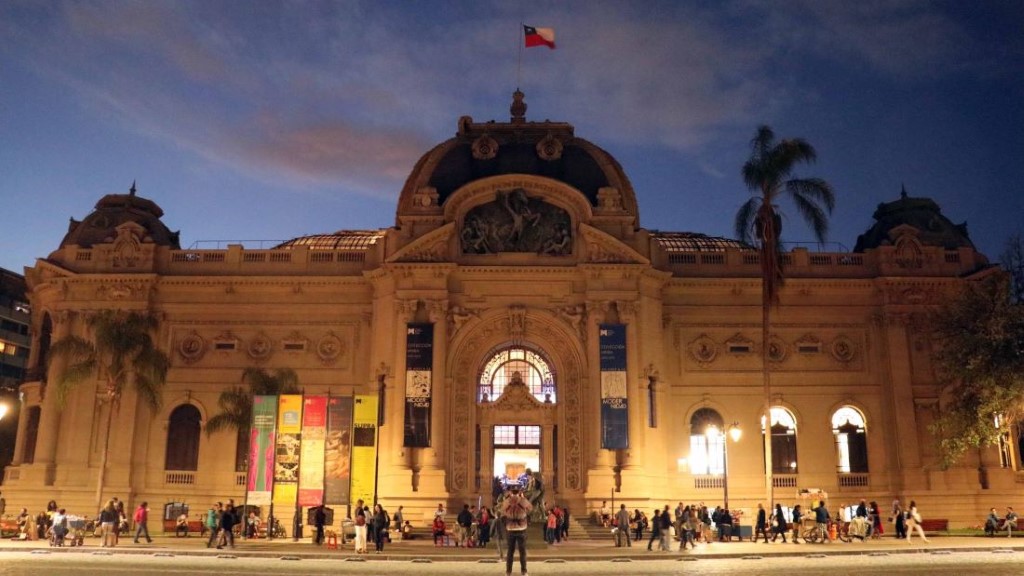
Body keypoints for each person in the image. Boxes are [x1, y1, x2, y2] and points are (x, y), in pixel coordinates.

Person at [501, 484, 532, 576]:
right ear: (519, 492)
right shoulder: (523, 500)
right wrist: (523, 498)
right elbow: (530, 509)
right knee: (522, 552)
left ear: (511, 492)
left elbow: (502, 511)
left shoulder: (507, 501)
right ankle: (524, 571)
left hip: (510, 528)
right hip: (521, 528)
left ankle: (508, 572)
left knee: (510, 552)